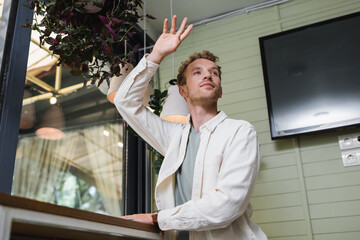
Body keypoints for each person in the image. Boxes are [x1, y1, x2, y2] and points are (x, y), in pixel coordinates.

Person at [115, 16, 267, 240]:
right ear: (183, 91)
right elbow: (125, 102)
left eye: (214, 72)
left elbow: (227, 204)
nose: (208, 74)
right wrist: (156, 55)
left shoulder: (240, 132)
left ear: (220, 90)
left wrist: (158, 219)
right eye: (198, 72)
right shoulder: (173, 136)